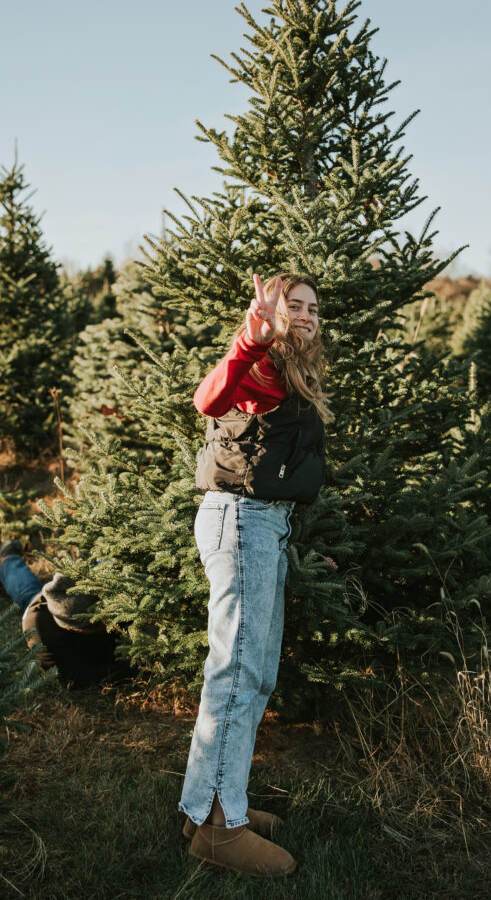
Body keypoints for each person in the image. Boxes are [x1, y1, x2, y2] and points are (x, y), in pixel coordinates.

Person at [179, 272, 332, 877]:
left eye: (312, 309)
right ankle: (221, 828)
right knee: (237, 674)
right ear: (268, 312)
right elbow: (208, 400)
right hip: (240, 523)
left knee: (254, 672)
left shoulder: (292, 373)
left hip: (265, 526)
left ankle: (205, 807)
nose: (304, 316)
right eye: (292, 305)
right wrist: (250, 340)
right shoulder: (261, 366)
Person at [0, 539, 131, 689]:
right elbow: (79, 678)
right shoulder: (41, 637)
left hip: (57, 599)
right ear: (71, 628)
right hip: (38, 612)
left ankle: (7, 563)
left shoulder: (81, 590)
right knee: (27, 592)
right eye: (96, 624)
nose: (106, 624)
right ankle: (6, 564)